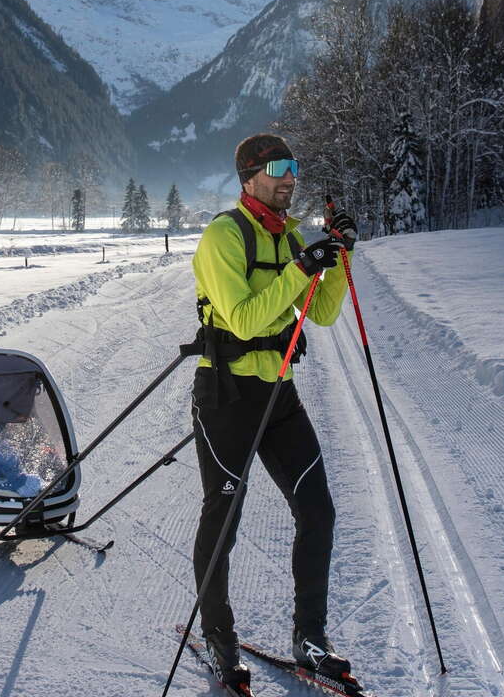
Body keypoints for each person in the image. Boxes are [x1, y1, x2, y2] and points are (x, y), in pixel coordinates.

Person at [190, 133, 360, 691]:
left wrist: (337, 255)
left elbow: (327, 313)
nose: (291, 177)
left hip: (278, 396)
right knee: (224, 523)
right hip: (228, 399)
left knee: (319, 512)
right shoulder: (224, 235)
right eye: (279, 168)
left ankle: (310, 638)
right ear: (250, 177)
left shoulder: (288, 238)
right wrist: (302, 267)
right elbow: (243, 320)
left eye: (295, 167)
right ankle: (219, 636)